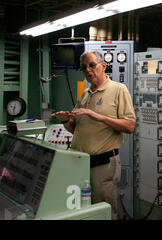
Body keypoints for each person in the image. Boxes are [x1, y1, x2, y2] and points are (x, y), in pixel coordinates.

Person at [51, 50, 135, 220]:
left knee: (103, 211)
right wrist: (65, 120)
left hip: (102, 165)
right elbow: (77, 129)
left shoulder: (119, 90)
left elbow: (130, 125)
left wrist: (98, 116)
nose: (88, 70)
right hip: (80, 163)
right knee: (84, 211)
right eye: (83, 67)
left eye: (92, 65)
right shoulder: (84, 94)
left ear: (103, 66)